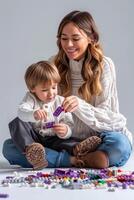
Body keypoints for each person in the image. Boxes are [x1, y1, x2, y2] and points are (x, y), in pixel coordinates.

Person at [3, 10, 132, 169]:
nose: (69, 45)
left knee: (119, 144)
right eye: (64, 39)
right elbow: (40, 102)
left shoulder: (104, 65)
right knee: (9, 147)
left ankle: (66, 158)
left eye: (75, 38)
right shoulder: (54, 64)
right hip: (60, 140)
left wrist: (80, 106)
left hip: (96, 140)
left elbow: (111, 120)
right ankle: (73, 160)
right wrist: (38, 117)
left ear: (91, 38)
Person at [5, 60, 101, 169]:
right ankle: (32, 151)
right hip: (35, 139)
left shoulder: (60, 101)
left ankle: (78, 149)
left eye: (54, 87)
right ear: (32, 89)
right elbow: (21, 111)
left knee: (66, 141)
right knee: (17, 123)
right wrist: (33, 114)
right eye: (45, 90)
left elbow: (69, 122)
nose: (51, 93)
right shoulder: (31, 99)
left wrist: (65, 130)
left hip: (54, 139)